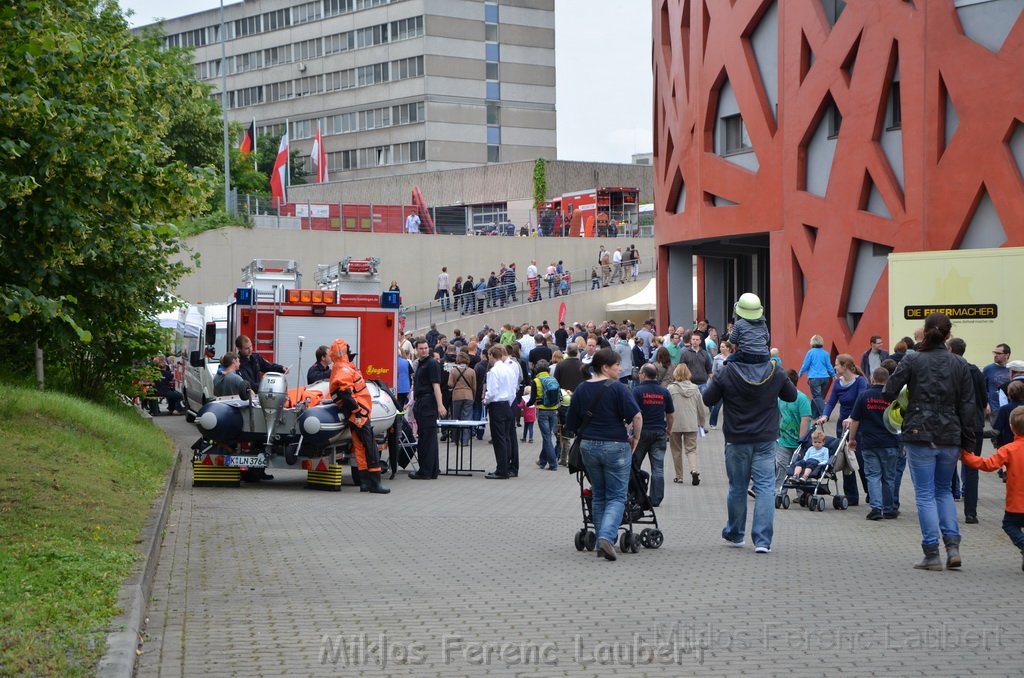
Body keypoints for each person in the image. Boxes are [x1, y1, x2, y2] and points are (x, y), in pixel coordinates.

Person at [883, 312, 977, 571]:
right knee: (944, 490)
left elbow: (888, 390)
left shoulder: (913, 360)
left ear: (925, 332)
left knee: (924, 494)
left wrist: (907, 396)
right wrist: (968, 442)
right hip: (950, 434)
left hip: (918, 433)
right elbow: (969, 406)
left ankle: (932, 553)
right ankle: (953, 547)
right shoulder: (959, 364)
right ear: (948, 335)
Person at [703, 346, 797, 553]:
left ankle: (736, 533)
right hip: (765, 438)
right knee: (765, 487)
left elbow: (708, 399)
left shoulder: (727, 371)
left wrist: (719, 377)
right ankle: (763, 541)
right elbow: (791, 396)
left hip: (737, 438)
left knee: (738, 486)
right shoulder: (775, 371)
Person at [565, 349, 643, 561]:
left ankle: (601, 538)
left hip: (588, 446)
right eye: (617, 365)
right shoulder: (618, 388)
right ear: (605, 367)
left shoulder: (581, 389)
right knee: (617, 495)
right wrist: (636, 438)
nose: (620, 368)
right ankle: (607, 538)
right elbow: (636, 415)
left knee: (599, 494)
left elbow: (570, 423)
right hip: (616, 445)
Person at [961, 406, 1024, 572]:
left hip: (1016, 504)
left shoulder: (1009, 449)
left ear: (1011, 427)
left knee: (1009, 525)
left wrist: (967, 456)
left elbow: (988, 465)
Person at [328, 338, 389, 494]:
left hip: (358, 413)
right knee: (370, 447)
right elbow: (344, 394)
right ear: (343, 351)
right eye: (347, 349)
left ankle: (365, 483)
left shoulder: (342, 367)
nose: (350, 352)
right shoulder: (343, 368)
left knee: (360, 447)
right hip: (358, 414)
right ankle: (375, 483)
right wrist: (357, 411)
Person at [848, 368, 901, 520]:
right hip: (890, 442)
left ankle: (876, 508)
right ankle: (889, 509)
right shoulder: (893, 397)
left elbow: (855, 419)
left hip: (870, 443)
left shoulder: (864, 395)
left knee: (873, 476)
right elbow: (901, 421)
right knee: (889, 477)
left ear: (872, 379)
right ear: (888, 380)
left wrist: (852, 439)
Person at [816, 353, 868, 505]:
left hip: (858, 424)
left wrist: (852, 417)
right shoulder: (838, 383)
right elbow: (831, 402)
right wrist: (825, 416)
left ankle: (871, 492)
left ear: (845, 366)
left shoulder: (860, 382)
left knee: (860, 460)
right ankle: (851, 496)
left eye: (837, 364)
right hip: (842, 425)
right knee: (845, 460)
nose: (834, 367)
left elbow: (861, 402)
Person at [948, 337, 986, 524]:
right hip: (975, 425)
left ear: (950, 349)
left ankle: (946, 513)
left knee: (946, 467)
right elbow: (984, 399)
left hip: (952, 425)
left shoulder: (948, 371)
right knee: (972, 469)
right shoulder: (975, 371)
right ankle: (971, 513)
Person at [632, 364, 675, 506]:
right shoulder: (664, 391)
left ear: (644, 374)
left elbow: (633, 414)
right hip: (659, 432)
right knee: (658, 467)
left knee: (634, 465)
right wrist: (669, 429)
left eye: (640, 373)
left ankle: (636, 495)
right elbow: (670, 414)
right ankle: (656, 499)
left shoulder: (637, 391)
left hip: (641, 433)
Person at [409, 338, 447, 480]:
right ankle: (433, 469)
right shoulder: (420, 364)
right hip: (421, 402)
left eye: (425, 348)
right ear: (416, 349)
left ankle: (425, 471)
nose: (424, 350)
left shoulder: (431, 364)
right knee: (427, 437)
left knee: (426, 438)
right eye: (421, 348)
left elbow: (436, 385)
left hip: (428, 402)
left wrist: (440, 405)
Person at [667, 363, 706, 486]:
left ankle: (679, 476)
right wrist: (701, 423)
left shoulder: (671, 389)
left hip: (675, 424)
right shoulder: (695, 389)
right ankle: (694, 470)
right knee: (691, 450)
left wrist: (666, 424)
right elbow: (701, 408)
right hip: (691, 423)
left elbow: (667, 409)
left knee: (676, 450)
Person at [484, 344, 518, 479]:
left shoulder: (493, 371)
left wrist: (486, 400)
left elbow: (491, 392)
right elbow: (513, 390)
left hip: (497, 406)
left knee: (499, 439)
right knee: (507, 438)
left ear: (492, 355)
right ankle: (506, 466)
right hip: (508, 405)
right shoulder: (509, 369)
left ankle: (501, 469)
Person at [776, 369, 812, 493]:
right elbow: (778, 415)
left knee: (799, 466)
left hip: (799, 441)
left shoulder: (801, 398)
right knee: (781, 465)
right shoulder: (780, 398)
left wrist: (802, 439)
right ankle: (779, 491)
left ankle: (801, 493)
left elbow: (805, 419)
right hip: (784, 439)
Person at [799, 334, 836, 418]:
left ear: (812, 342)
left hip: (814, 378)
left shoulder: (810, 352)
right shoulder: (825, 353)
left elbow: (806, 364)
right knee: (819, 397)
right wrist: (833, 374)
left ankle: (824, 414)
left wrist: (800, 373)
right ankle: (813, 414)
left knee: (817, 397)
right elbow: (829, 365)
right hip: (825, 378)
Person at [532, 360, 560, 470]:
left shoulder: (536, 381)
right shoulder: (553, 379)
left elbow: (532, 399)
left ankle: (553, 463)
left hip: (542, 411)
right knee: (547, 436)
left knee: (547, 437)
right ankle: (542, 461)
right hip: (554, 410)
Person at [728, 293, 770, 364]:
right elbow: (767, 338)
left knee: (728, 360)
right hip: (764, 355)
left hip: (746, 355)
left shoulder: (739, 323)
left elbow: (732, 339)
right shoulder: (763, 324)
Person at [447, 353, 476, 446]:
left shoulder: (453, 371)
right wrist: (473, 396)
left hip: (457, 396)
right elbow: (474, 386)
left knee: (456, 418)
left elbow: (450, 384)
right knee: (467, 418)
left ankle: (455, 439)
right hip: (469, 395)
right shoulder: (472, 371)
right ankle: (465, 441)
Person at [708, 340, 731, 429]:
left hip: (730, 385)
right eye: (720, 347)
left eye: (723, 347)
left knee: (730, 406)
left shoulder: (732, 358)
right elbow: (713, 372)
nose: (721, 348)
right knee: (717, 405)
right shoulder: (717, 358)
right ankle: (713, 423)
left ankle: (729, 423)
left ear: (728, 348)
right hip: (720, 385)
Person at [984, 343, 1012, 417]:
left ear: (1007, 355)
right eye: (994, 353)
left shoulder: (1013, 369)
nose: (995, 355)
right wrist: (986, 404)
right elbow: (983, 389)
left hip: (1011, 408)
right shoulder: (988, 369)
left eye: (998, 353)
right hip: (995, 408)